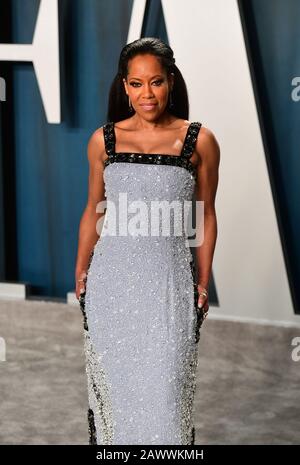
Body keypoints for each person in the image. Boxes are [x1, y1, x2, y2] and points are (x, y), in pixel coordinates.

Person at [75, 37, 220, 445]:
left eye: (155, 82)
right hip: (111, 289)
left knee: (168, 407)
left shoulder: (199, 141)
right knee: (115, 412)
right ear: (124, 86)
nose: (147, 94)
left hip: (169, 289)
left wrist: (203, 283)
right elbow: (93, 210)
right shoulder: (103, 141)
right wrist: (81, 270)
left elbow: (205, 215)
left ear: (170, 82)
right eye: (136, 84)